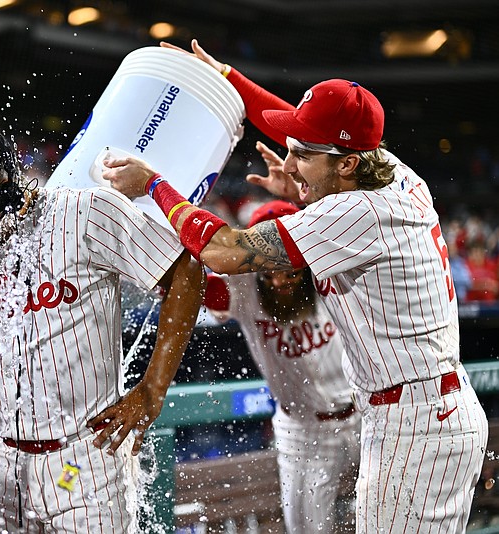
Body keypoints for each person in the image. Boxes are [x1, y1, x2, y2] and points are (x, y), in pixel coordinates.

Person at [103, 39, 489, 533]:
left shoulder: (355, 212)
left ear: (346, 164)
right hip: (417, 411)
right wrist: (229, 78)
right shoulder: (392, 171)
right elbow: (298, 124)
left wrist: (156, 185)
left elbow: (222, 250)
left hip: (413, 423)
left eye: (304, 155)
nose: (288, 165)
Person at [0, 120, 203, 532]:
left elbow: (185, 269)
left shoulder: (85, 212)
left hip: (83, 459)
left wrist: (153, 389)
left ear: (4, 188)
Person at [203, 200, 359, 534]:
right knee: (307, 529)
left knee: (386, 514)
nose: (279, 280)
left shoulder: (327, 270)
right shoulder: (243, 290)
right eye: (269, 271)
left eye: (289, 269)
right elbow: (189, 288)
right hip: (304, 429)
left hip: (363, 415)